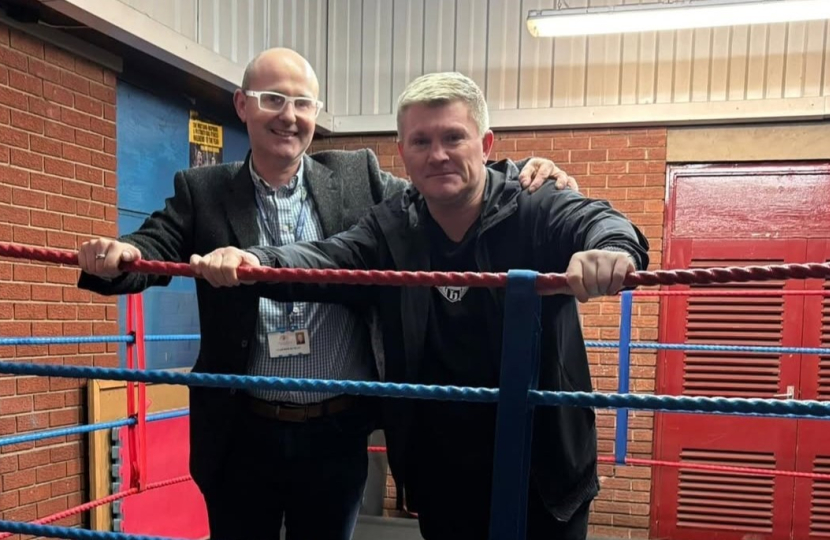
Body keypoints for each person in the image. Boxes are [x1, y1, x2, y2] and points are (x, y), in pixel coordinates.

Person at [76, 47, 580, 540]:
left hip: (335, 430)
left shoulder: (357, 176)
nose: (288, 117)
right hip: (243, 430)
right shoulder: (202, 189)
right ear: (242, 105)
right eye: (273, 99)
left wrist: (524, 173)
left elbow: (438, 182)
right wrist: (118, 253)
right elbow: (152, 246)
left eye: (303, 104)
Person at [190, 71, 650, 540]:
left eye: (454, 137)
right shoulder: (393, 226)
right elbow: (326, 258)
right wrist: (256, 260)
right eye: (421, 141)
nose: (438, 155)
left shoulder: (533, 204)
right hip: (442, 472)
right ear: (403, 152)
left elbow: (597, 219)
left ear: (486, 143)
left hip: (544, 466)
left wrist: (611, 250)